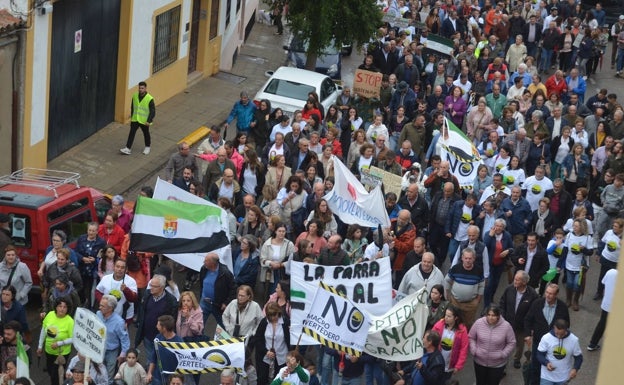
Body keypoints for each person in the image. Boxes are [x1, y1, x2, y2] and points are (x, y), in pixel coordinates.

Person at [524, 283, 570, 385]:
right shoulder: (537, 304)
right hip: (538, 342)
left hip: (554, 345)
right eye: (547, 292)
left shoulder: (562, 307)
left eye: (551, 294)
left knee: (553, 368)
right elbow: (528, 320)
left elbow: (567, 324)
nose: (548, 296)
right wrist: (527, 335)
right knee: (535, 368)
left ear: (556, 295)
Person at [135, 275, 178, 372]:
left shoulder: (171, 301)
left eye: (154, 286)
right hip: (147, 336)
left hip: (162, 338)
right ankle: (151, 377)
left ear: (162, 288)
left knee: (161, 361)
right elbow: (141, 311)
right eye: (150, 285)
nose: (151, 288)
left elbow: (172, 321)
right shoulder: (147, 295)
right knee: (150, 359)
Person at [500, 270, 539, 369]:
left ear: (524, 282)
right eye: (515, 279)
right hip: (507, 323)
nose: (515, 281)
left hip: (522, 326)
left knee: (520, 345)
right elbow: (502, 303)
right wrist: (502, 317)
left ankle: (517, 359)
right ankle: (503, 363)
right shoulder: (509, 289)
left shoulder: (532, 294)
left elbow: (534, 312)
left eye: (518, 280)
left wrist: (530, 329)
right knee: (504, 344)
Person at [444, 248, 484, 328]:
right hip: (455, 302)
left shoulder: (478, 270)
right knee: (453, 323)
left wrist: (478, 300)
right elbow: (447, 281)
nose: (468, 260)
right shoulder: (455, 268)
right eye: (466, 258)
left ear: (474, 259)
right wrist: (447, 296)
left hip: (470, 304)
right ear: (462, 258)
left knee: (467, 325)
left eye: (470, 258)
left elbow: (482, 285)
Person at [37, 297, 74, 385]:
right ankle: (66, 380)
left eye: (65, 307)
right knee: (51, 371)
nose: (62, 309)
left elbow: (73, 338)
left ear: (68, 309)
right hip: (49, 351)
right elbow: (43, 330)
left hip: (62, 353)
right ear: (56, 307)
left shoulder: (70, 321)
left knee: (55, 376)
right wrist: (40, 346)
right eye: (60, 306)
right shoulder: (50, 314)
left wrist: (59, 343)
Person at [251, 302, 290, 385]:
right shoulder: (264, 322)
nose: (272, 318)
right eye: (270, 315)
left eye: (274, 315)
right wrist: (266, 351)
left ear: (278, 312)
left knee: (279, 379)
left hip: (282, 356)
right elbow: (258, 339)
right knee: (262, 379)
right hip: (265, 356)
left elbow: (290, 339)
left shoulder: (285, 322)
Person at [536, 318, 583, 385]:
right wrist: (546, 363)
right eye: (557, 333)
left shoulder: (574, 340)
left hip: (563, 378)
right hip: (547, 377)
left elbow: (579, 357)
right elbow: (539, 354)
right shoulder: (546, 338)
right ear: (554, 327)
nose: (559, 336)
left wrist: (575, 369)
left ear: (566, 329)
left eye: (562, 334)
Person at [97, 295, 130, 384]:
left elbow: (125, 340)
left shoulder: (119, 322)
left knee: (108, 376)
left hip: (111, 352)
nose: (99, 308)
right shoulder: (98, 314)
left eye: (102, 306)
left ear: (110, 308)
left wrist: (122, 355)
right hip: (98, 349)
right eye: (100, 305)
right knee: (96, 373)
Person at [95, 258, 138, 325]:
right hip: (106, 314)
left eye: (122, 267)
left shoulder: (131, 281)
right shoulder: (106, 278)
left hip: (124, 316)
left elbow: (133, 298)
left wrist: (126, 290)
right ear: (114, 267)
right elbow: (97, 291)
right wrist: (104, 303)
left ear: (126, 270)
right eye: (117, 266)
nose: (119, 269)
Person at [431, 305, 469, 381]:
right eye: (445, 315)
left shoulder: (462, 330)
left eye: (449, 316)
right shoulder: (439, 325)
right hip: (436, 362)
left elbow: (463, 349)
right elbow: (431, 339)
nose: (446, 318)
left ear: (456, 318)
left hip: (449, 366)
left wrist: (458, 366)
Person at [198, 253, 236, 327]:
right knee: (199, 325)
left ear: (212, 263)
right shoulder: (204, 269)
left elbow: (233, 289)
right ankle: (200, 338)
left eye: (206, 261)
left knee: (223, 326)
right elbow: (201, 284)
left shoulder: (225, 273)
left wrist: (226, 303)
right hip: (204, 303)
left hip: (218, 305)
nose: (203, 262)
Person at [74, 222, 106, 306]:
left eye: (93, 231)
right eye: (89, 230)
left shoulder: (101, 242)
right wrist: (82, 258)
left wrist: (95, 260)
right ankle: (82, 303)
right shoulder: (81, 238)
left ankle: (91, 306)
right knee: (81, 288)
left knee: (92, 290)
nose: (91, 232)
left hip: (93, 271)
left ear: (97, 231)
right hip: (82, 268)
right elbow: (75, 252)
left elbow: (103, 256)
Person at [120, 81, 155, 155]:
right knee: (132, 132)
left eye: (142, 88)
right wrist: (132, 117)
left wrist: (148, 121)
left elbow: (152, 111)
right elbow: (133, 107)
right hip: (135, 119)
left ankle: (147, 147)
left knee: (146, 133)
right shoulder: (135, 96)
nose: (140, 89)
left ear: (145, 88)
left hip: (144, 121)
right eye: (139, 88)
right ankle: (128, 148)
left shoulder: (150, 98)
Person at [147, 315, 184, 385]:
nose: (156, 327)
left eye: (158, 325)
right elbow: (153, 358)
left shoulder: (179, 342)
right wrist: (149, 373)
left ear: (164, 328)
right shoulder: (158, 338)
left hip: (173, 381)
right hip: (157, 378)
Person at [588, 268, 617, 351]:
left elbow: (603, 283)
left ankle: (592, 344)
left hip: (607, 304)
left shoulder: (610, 272)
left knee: (602, 323)